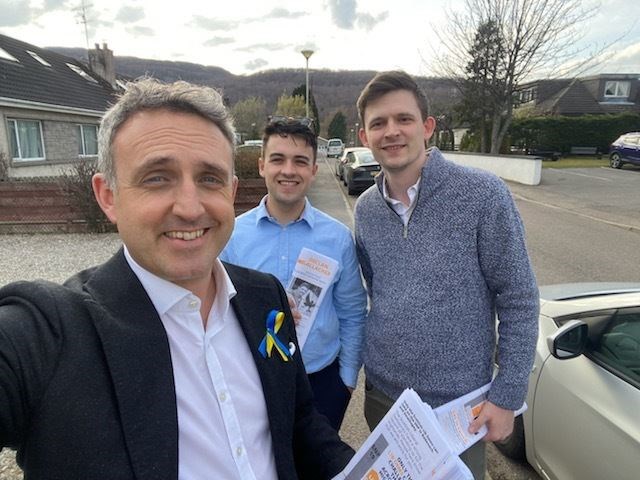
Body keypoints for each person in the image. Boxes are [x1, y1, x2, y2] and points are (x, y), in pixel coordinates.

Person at [0, 79, 354, 480]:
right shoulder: (50, 332)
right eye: (157, 177)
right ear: (108, 196)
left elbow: (298, 422)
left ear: (231, 190)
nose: (189, 207)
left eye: (209, 179)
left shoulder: (265, 298)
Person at [353, 71, 539, 479]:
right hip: (384, 398)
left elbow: (519, 299)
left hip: (459, 407)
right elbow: (377, 289)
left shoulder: (482, 195)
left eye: (403, 119)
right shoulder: (365, 208)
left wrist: (507, 397)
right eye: (378, 123)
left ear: (427, 126)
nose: (392, 132)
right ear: (364, 137)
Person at [221, 118, 367, 430]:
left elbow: (353, 312)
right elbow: (216, 309)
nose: (288, 170)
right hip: (254, 380)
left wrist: (347, 381)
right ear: (262, 166)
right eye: (278, 159)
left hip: (324, 382)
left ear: (314, 170)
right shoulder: (232, 236)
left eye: (300, 161)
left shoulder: (338, 238)